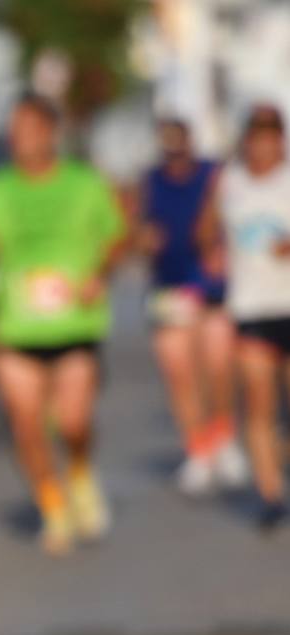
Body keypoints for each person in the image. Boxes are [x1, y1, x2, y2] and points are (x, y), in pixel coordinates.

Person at [0, 93, 127, 555]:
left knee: (74, 421)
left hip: (75, 323)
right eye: (15, 131)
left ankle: (78, 470)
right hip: (16, 327)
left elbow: (117, 237)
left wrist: (100, 275)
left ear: (52, 131)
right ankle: (52, 506)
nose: (22, 139)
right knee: (27, 424)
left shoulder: (84, 183)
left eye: (31, 129)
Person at [137, 116, 247, 496]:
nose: (174, 151)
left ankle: (224, 435)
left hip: (211, 283)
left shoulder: (213, 176)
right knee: (179, 371)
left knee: (218, 365)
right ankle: (198, 448)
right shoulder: (151, 180)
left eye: (178, 142)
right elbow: (140, 228)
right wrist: (146, 240)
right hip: (170, 286)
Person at [199, 104, 290, 531]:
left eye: (272, 134)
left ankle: (279, 457)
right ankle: (271, 495)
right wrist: (212, 248)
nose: (264, 143)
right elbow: (204, 231)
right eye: (257, 134)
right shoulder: (229, 182)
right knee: (258, 404)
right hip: (251, 307)